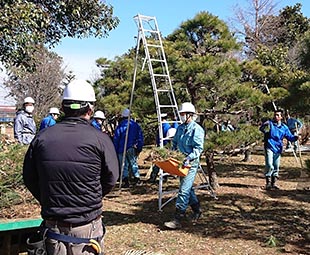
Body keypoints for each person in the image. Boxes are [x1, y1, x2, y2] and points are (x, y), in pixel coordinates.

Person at [23, 79, 119, 255]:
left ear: (63, 107)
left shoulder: (42, 138)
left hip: (54, 228)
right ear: (90, 110)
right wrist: (89, 198)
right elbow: (111, 178)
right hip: (88, 228)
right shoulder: (101, 139)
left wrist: (50, 199)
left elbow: (29, 177)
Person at [164, 102, 205, 229]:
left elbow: (198, 149)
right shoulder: (180, 128)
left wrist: (188, 157)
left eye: (183, 114)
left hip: (190, 163)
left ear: (190, 115)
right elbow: (175, 143)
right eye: (180, 114)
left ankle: (178, 218)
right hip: (180, 163)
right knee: (187, 188)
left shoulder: (197, 130)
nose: (181, 116)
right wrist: (172, 154)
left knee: (183, 191)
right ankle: (197, 210)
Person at [259, 109, 298, 190]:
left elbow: (290, 137)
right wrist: (264, 125)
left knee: (276, 166)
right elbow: (262, 130)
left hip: (278, 148)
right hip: (269, 146)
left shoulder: (284, 127)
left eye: (277, 115)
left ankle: (273, 183)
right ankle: (268, 183)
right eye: (275, 115)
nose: (275, 116)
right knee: (269, 164)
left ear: (281, 117)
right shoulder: (270, 124)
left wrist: (296, 138)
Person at [113, 108, 144, 188]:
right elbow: (140, 137)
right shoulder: (135, 125)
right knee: (133, 163)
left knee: (123, 165)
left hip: (121, 148)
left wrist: (115, 150)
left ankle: (125, 181)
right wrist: (139, 147)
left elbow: (116, 138)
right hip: (131, 147)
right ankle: (137, 178)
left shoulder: (120, 126)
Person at [148, 113, 172, 183]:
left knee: (158, 163)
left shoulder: (164, 126)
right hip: (165, 147)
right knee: (163, 163)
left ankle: (154, 177)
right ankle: (163, 177)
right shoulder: (166, 126)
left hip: (162, 147)